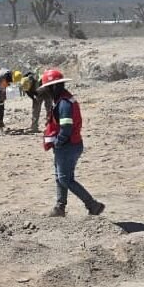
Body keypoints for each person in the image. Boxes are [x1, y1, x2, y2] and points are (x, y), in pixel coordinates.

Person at [40, 68, 105, 217]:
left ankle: (92, 205)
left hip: (68, 146)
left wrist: (58, 142)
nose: (47, 92)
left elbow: (66, 128)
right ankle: (59, 207)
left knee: (65, 179)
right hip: (68, 145)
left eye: (48, 88)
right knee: (59, 177)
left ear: (54, 87)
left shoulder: (64, 104)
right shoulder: (63, 100)